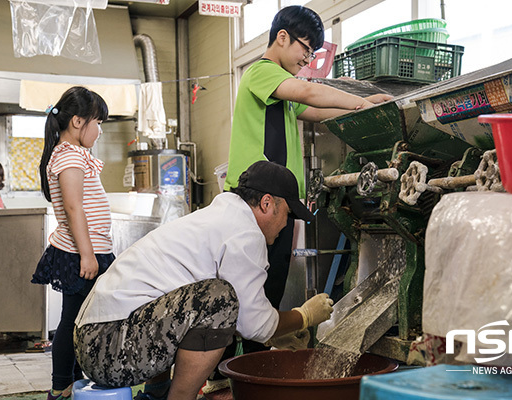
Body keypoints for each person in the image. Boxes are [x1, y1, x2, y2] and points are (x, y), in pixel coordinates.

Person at [73, 161, 335, 400]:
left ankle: (157, 394)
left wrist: (271, 330)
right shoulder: (245, 232)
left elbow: (243, 320)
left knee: (199, 301)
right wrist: (303, 316)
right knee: (219, 299)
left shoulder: (219, 219)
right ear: (267, 204)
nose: (285, 225)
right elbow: (254, 324)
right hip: (107, 346)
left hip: (97, 338)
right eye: (287, 214)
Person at [221, 4, 393, 362]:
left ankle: (250, 359)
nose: (308, 58)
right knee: (246, 288)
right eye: (305, 48)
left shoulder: (281, 92)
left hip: (277, 202)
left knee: (269, 285)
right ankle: (231, 364)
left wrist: (362, 107)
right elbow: (310, 94)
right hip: (254, 201)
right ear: (282, 37)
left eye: (313, 52)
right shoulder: (261, 73)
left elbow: (314, 111)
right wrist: (360, 102)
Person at [30, 86, 115, 400]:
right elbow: (73, 207)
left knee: (79, 319)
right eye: (98, 122)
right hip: (80, 254)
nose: (100, 130)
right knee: (73, 321)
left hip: (87, 251)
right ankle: (61, 384)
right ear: (78, 122)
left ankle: (71, 381)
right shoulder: (68, 156)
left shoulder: (76, 155)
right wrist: (88, 255)